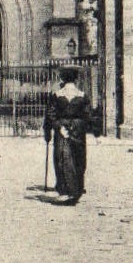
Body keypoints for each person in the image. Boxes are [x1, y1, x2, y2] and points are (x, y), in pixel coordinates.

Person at [44, 68, 90, 204]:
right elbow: (87, 117)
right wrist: (77, 127)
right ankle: (76, 190)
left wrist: (55, 129)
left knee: (62, 159)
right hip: (78, 132)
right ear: (76, 79)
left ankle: (65, 191)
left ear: (63, 79)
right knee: (78, 159)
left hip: (61, 131)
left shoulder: (56, 95)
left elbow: (50, 115)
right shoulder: (82, 95)